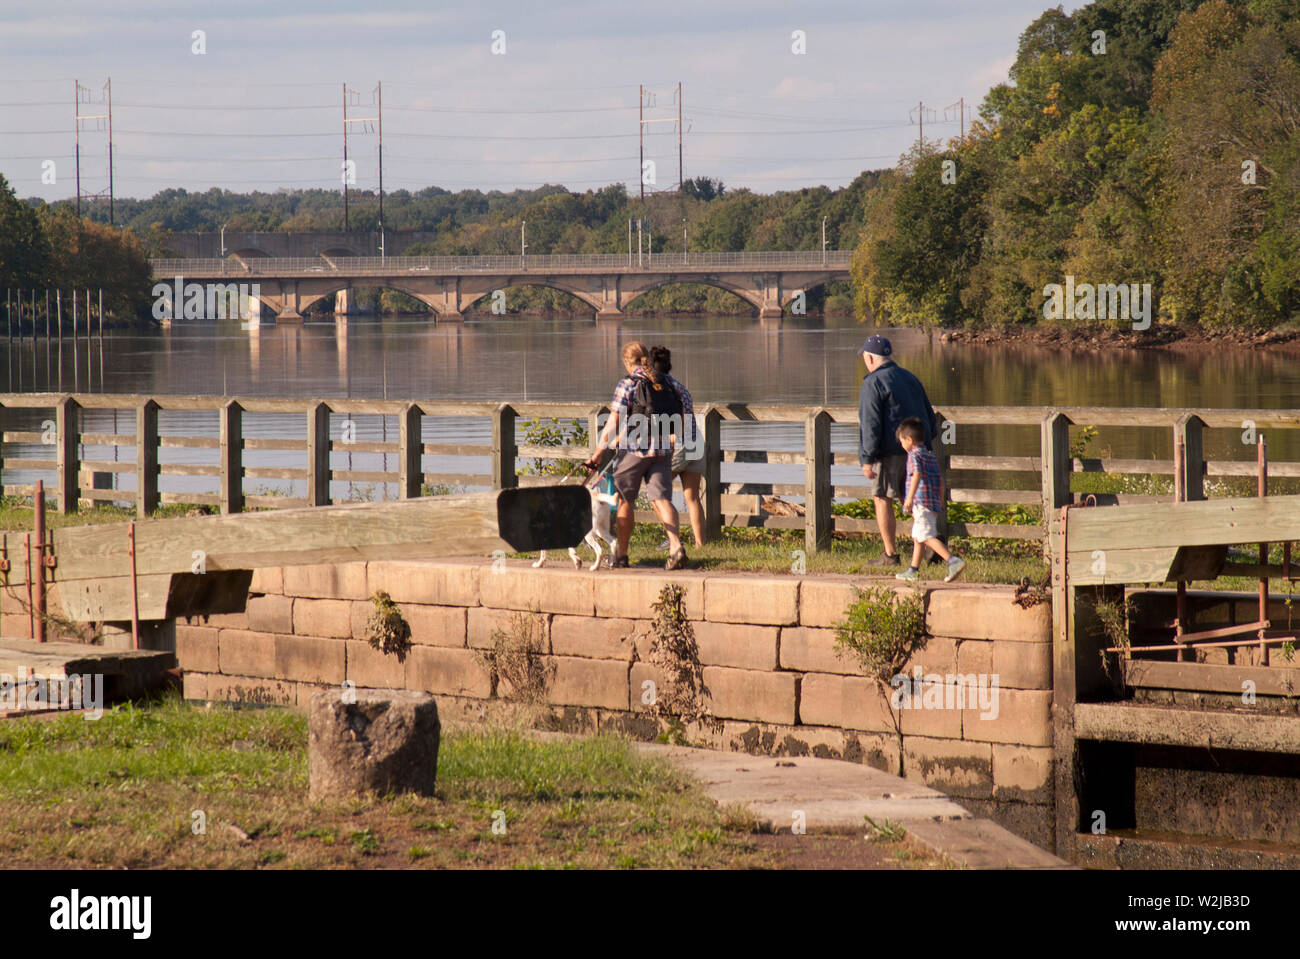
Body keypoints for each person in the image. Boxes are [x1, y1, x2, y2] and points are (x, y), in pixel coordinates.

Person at [583, 341, 688, 570]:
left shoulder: (628, 384)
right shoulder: (668, 381)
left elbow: (613, 422)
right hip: (662, 451)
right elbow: (687, 404)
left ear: (626, 362)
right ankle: (676, 547)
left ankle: (621, 554)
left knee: (624, 500)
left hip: (634, 450)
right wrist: (675, 432)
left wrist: (599, 452)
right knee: (662, 499)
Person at [857, 334, 942, 567]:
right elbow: (930, 416)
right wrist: (925, 442)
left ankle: (890, 555)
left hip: (889, 451)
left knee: (882, 497)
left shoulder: (872, 383)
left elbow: (870, 424)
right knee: (914, 499)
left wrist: (867, 457)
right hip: (919, 449)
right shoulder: (910, 377)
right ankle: (932, 544)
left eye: (864, 357)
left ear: (870, 359)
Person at [894, 417, 965, 583]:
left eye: (902, 441)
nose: (902, 445)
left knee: (925, 536)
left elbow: (916, 475)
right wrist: (940, 500)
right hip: (932, 503)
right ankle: (913, 569)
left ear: (909, 440)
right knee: (918, 536)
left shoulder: (913, 456)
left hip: (920, 502)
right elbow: (940, 479)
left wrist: (909, 498)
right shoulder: (930, 455)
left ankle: (953, 561)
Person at [649, 345, 706, 548]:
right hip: (695, 441)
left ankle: (674, 540)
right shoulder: (680, 386)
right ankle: (700, 544)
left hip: (678, 444)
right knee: (692, 497)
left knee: (656, 493)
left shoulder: (659, 389)